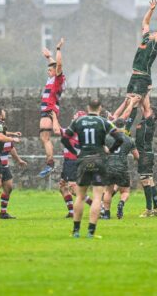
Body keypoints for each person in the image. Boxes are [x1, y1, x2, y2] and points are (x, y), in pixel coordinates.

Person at [63, 99, 124, 238]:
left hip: (83, 159)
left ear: (87, 107)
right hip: (99, 160)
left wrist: (74, 152)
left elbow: (65, 138)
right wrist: (110, 151)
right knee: (97, 197)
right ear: (100, 108)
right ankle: (91, 231)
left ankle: (76, 231)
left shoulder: (78, 121)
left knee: (80, 196)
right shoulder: (104, 121)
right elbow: (119, 138)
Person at [117, 0, 157, 134]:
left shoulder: (155, 44)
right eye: (154, 31)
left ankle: (121, 122)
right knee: (137, 104)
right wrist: (151, 10)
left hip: (142, 77)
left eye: (156, 33)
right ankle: (139, 125)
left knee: (133, 101)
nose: (154, 31)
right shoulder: (145, 39)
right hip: (135, 76)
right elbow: (145, 23)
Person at [58, 110, 94, 218]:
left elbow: (56, 129)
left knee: (74, 190)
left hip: (72, 162)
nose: (72, 119)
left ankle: (97, 206)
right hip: (70, 161)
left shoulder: (74, 131)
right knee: (62, 186)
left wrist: (53, 116)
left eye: (75, 118)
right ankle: (71, 211)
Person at [38, 38, 66, 178]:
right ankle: (50, 162)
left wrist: (58, 49)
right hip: (47, 110)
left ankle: (50, 163)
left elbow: (58, 65)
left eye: (50, 70)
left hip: (49, 110)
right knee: (44, 136)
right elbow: (54, 64)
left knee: (45, 136)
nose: (48, 71)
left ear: (55, 71)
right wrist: (49, 57)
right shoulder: (52, 78)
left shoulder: (58, 79)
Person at [103, 118, 139, 219]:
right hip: (122, 167)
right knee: (125, 191)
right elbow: (137, 156)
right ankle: (121, 203)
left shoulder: (106, 138)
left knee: (108, 191)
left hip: (109, 167)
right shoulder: (129, 140)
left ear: (114, 126)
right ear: (124, 126)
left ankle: (106, 213)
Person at [132, 96, 157, 217]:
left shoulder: (150, 121)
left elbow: (146, 106)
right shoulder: (144, 122)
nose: (144, 110)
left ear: (152, 115)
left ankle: (148, 209)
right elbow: (144, 107)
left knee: (145, 180)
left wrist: (146, 91)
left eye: (148, 110)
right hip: (145, 153)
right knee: (149, 180)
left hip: (145, 154)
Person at [0, 128, 28, 219]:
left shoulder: (8, 140)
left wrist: (19, 160)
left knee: (9, 188)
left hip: (5, 167)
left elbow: (12, 149)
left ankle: (3, 213)